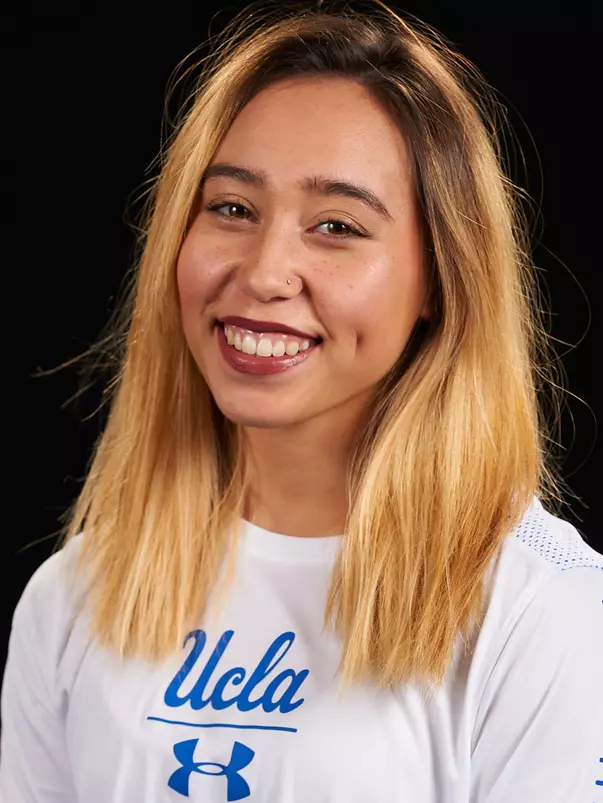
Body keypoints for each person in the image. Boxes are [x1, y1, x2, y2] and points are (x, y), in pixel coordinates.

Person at [2, 2, 602, 801]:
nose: (263, 271)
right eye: (231, 209)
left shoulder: (544, 608)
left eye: (336, 225)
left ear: (439, 280)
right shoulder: (73, 595)